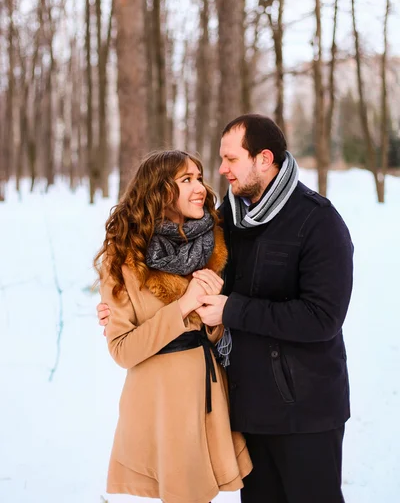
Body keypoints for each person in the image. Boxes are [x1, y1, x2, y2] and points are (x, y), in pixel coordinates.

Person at [98, 114, 354, 503]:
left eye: (230, 160)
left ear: (263, 159)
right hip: (245, 407)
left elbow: (323, 318)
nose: (220, 172)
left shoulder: (317, 221)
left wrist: (230, 311)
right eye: (214, 164)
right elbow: (171, 281)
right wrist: (116, 309)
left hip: (304, 410)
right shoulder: (223, 226)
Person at [94, 150, 252, 503]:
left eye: (198, 177)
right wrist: (184, 305)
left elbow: (216, 330)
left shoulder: (215, 244)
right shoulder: (123, 259)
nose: (200, 187)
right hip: (160, 402)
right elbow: (122, 350)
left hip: (208, 395)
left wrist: (214, 319)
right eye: (186, 180)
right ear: (159, 192)